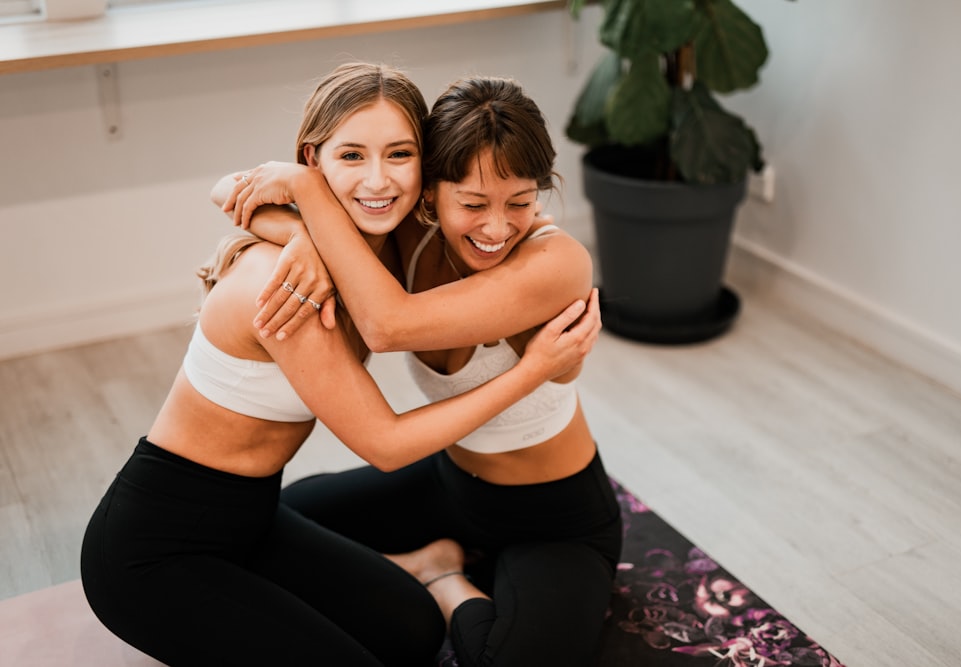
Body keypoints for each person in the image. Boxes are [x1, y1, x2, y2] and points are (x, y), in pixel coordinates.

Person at [79, 63, 602, 667]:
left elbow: (376, 308)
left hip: (265, 514)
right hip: (154, 547)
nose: (497, 223)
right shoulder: (296, 281)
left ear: (421, 175)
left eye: (399, 154)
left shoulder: (404, 241)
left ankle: (428, 569)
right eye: (351, 155)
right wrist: (301, 221)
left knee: (409, 631)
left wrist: (307, 223)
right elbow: (230, 190)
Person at [220, 74, 623, 666]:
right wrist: (306, 233)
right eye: (473, 204)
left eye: (520, 201)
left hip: (554, 518)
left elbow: (389, 325)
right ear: (430, 195)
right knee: (279, 524)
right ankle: (435, 553)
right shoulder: (404, 230)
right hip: (450, 485)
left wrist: (309, 202)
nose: (496, 228)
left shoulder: (556, 262)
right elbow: (230, 191)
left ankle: (443, 580)